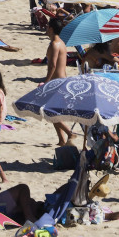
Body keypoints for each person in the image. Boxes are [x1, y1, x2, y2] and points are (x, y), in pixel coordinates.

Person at [45, 18, 72, 146]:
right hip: (62, 80)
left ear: (51, 28)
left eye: (47, 26)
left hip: (57, 82)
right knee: (53, 111)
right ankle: (61, 139)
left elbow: (53, 65)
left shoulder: (55, 44)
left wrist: (46, 82)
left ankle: (70, 133)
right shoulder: (61, 42)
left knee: (49, 111)